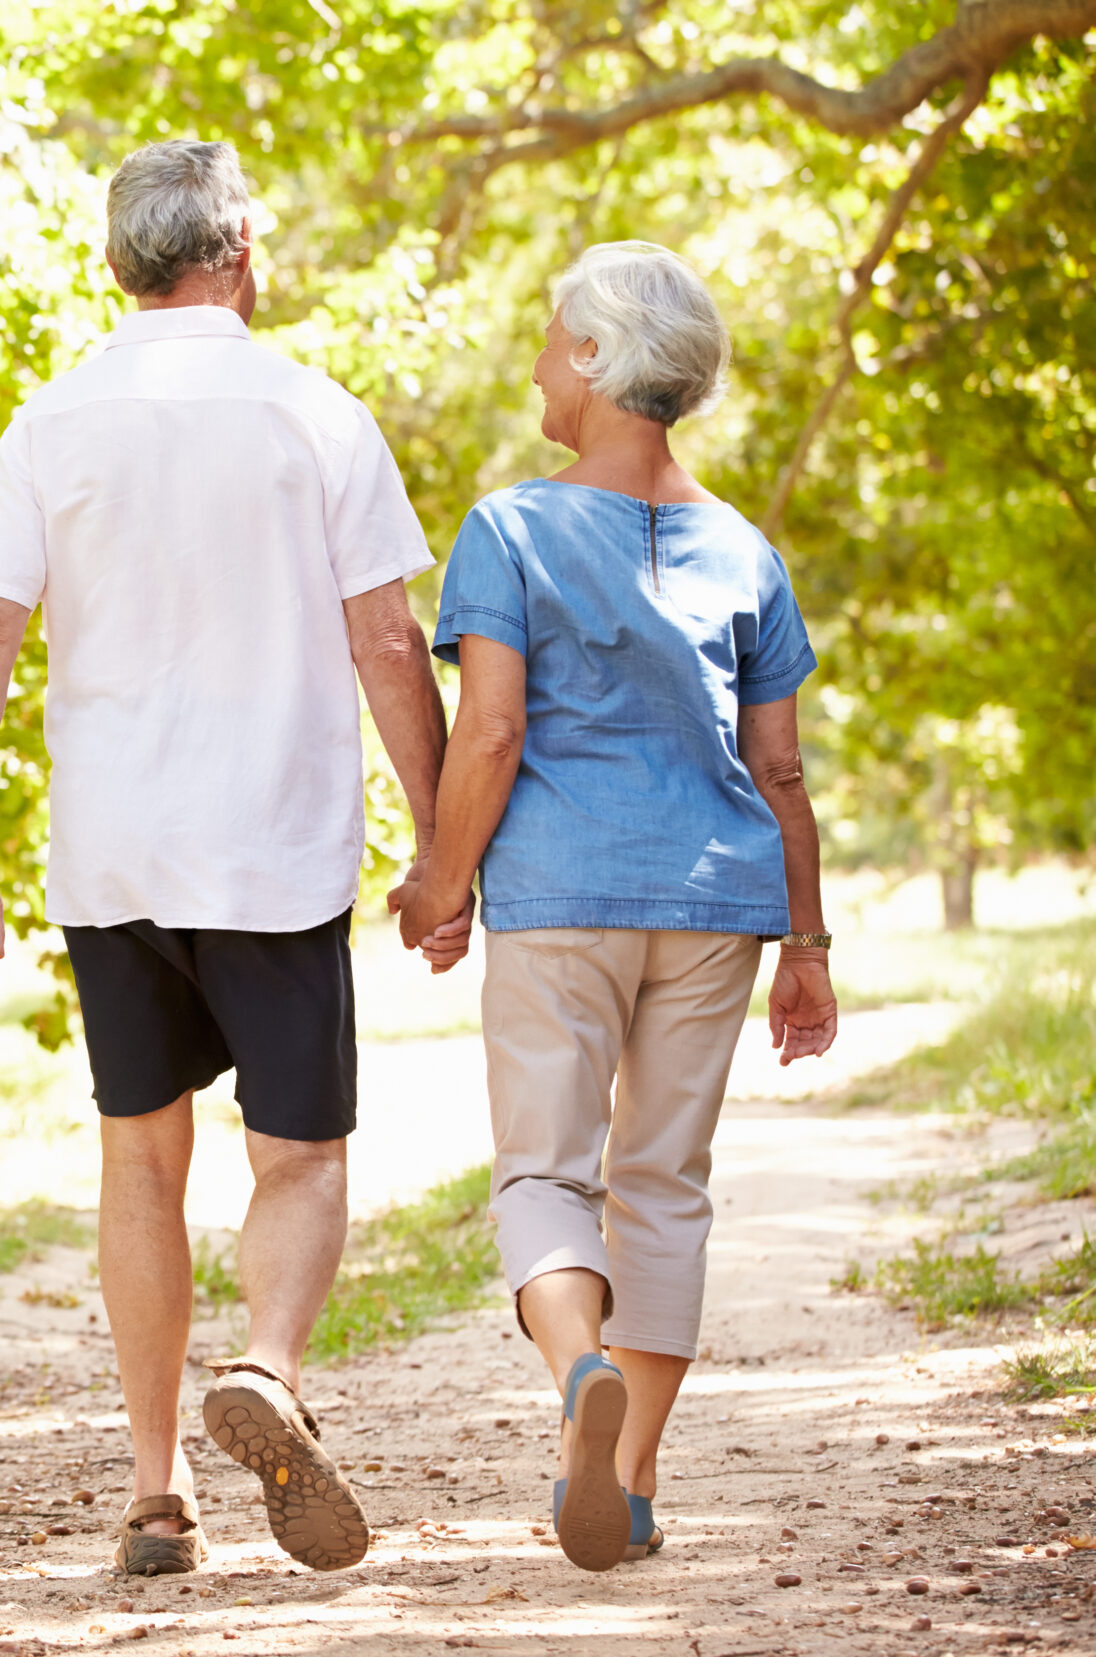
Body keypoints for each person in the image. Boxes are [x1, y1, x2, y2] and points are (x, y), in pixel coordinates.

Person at [0, 139, 454, 1578]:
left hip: (115, 852)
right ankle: (269, 1372)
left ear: (124, 261)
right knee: (300, 1155)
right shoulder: (315, 414)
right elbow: (388, 640)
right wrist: (440, 840)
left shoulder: (52, 420)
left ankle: (158, 1495)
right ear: (236, 250)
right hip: (272, 848)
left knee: (139, 1159)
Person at [394, 240, 841, 1572]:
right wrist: (808, 945)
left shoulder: (513, 527)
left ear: (592, 358)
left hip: (563, 896)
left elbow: (490, 735)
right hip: (716, 906)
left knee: (547, 1170)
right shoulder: (746, 550)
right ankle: (632, 1477)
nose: (537, 361)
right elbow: (781, 770)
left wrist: (440, 878)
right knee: (664, 1186)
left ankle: (580, 1370)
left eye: (548, 338)